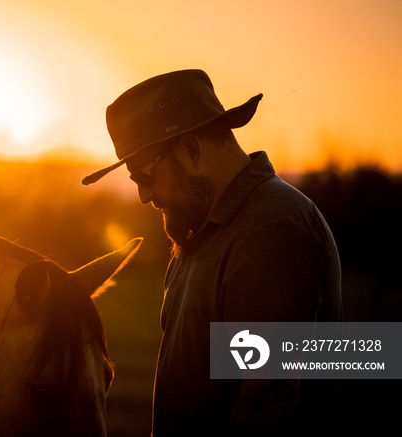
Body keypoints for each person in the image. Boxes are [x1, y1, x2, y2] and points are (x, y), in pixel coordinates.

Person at [82, 69, 342, 435]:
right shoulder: (200, 232)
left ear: (191, 150)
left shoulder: (271, 228)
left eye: (144, 176)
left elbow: (267, 407)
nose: (143, 196)